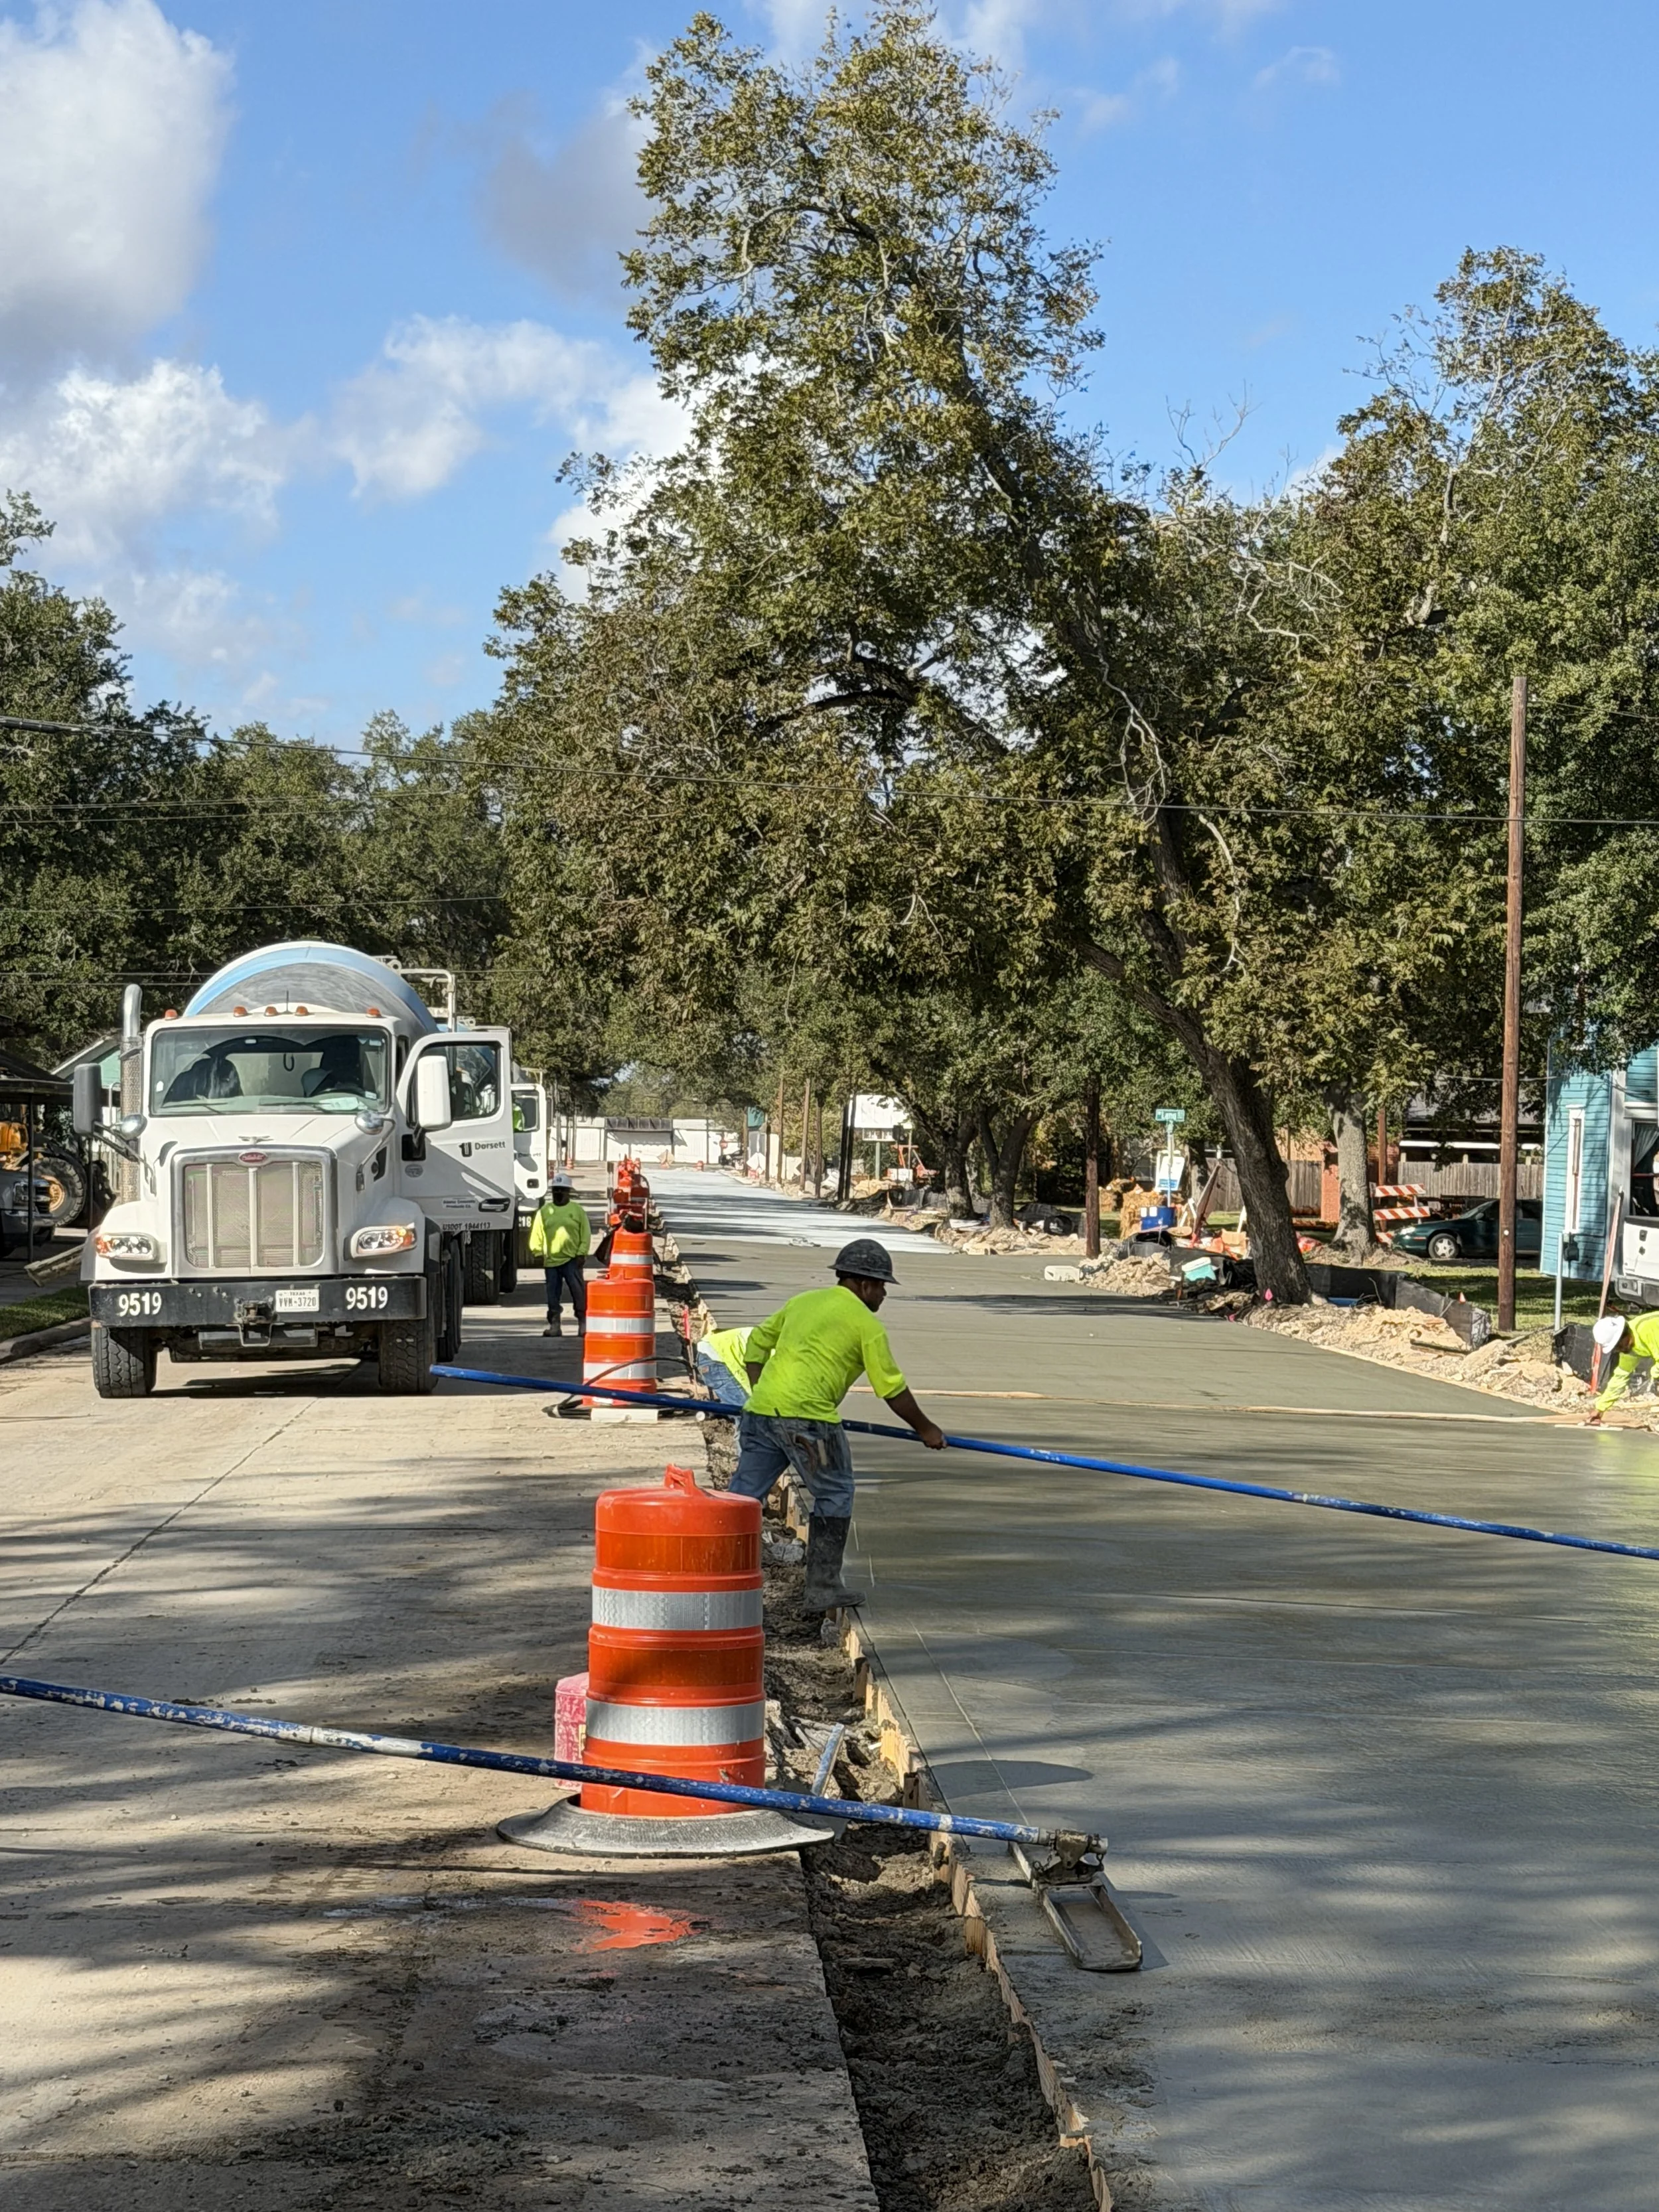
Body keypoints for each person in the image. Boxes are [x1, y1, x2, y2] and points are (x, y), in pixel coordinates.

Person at [733, 1237, 946, 1613]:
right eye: (881, 1286)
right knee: (834, 1494)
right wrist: (926, 1430)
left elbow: (756, 1344)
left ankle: (717, 1571)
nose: (883, 1295)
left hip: (762, 1414)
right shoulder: (867, 1325)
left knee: (742, 1497)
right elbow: (892, 1390)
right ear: (864, 1284)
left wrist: (761, 1390)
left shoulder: (802, 1302)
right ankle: (822, 1588)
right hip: (811, 1425)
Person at [528, 1173, 591, 1337]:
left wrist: (581, 1253)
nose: (559, 1194)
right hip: (551, 1261)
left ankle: (583, 1323)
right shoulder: (545, 1211)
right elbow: (537, 1233)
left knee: (578, 1292)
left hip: (572, 1260)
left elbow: (585, 1233)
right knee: (552, 1295)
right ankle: (555, 1325)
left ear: (568, 1192)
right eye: (556, 1190)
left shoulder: (577, 1211)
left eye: (562, 1190)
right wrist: (537, 1251)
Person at [1589, 1311, 1659, 1419]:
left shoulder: (1648, 1329)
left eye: (1618, 1346)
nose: (1619, 1350)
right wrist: (1600, 1408)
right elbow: (1620, 1377)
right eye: (1615, 1349)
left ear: (1623, 1334)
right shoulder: (1630, 1348)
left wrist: (1655, 1374)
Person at [697, 1322, 760, 1407]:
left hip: (720, 1354)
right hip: (716, 1358)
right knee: (746, 1409)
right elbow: (755, 1371)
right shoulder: (777, 1350)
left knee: (751, 1409)